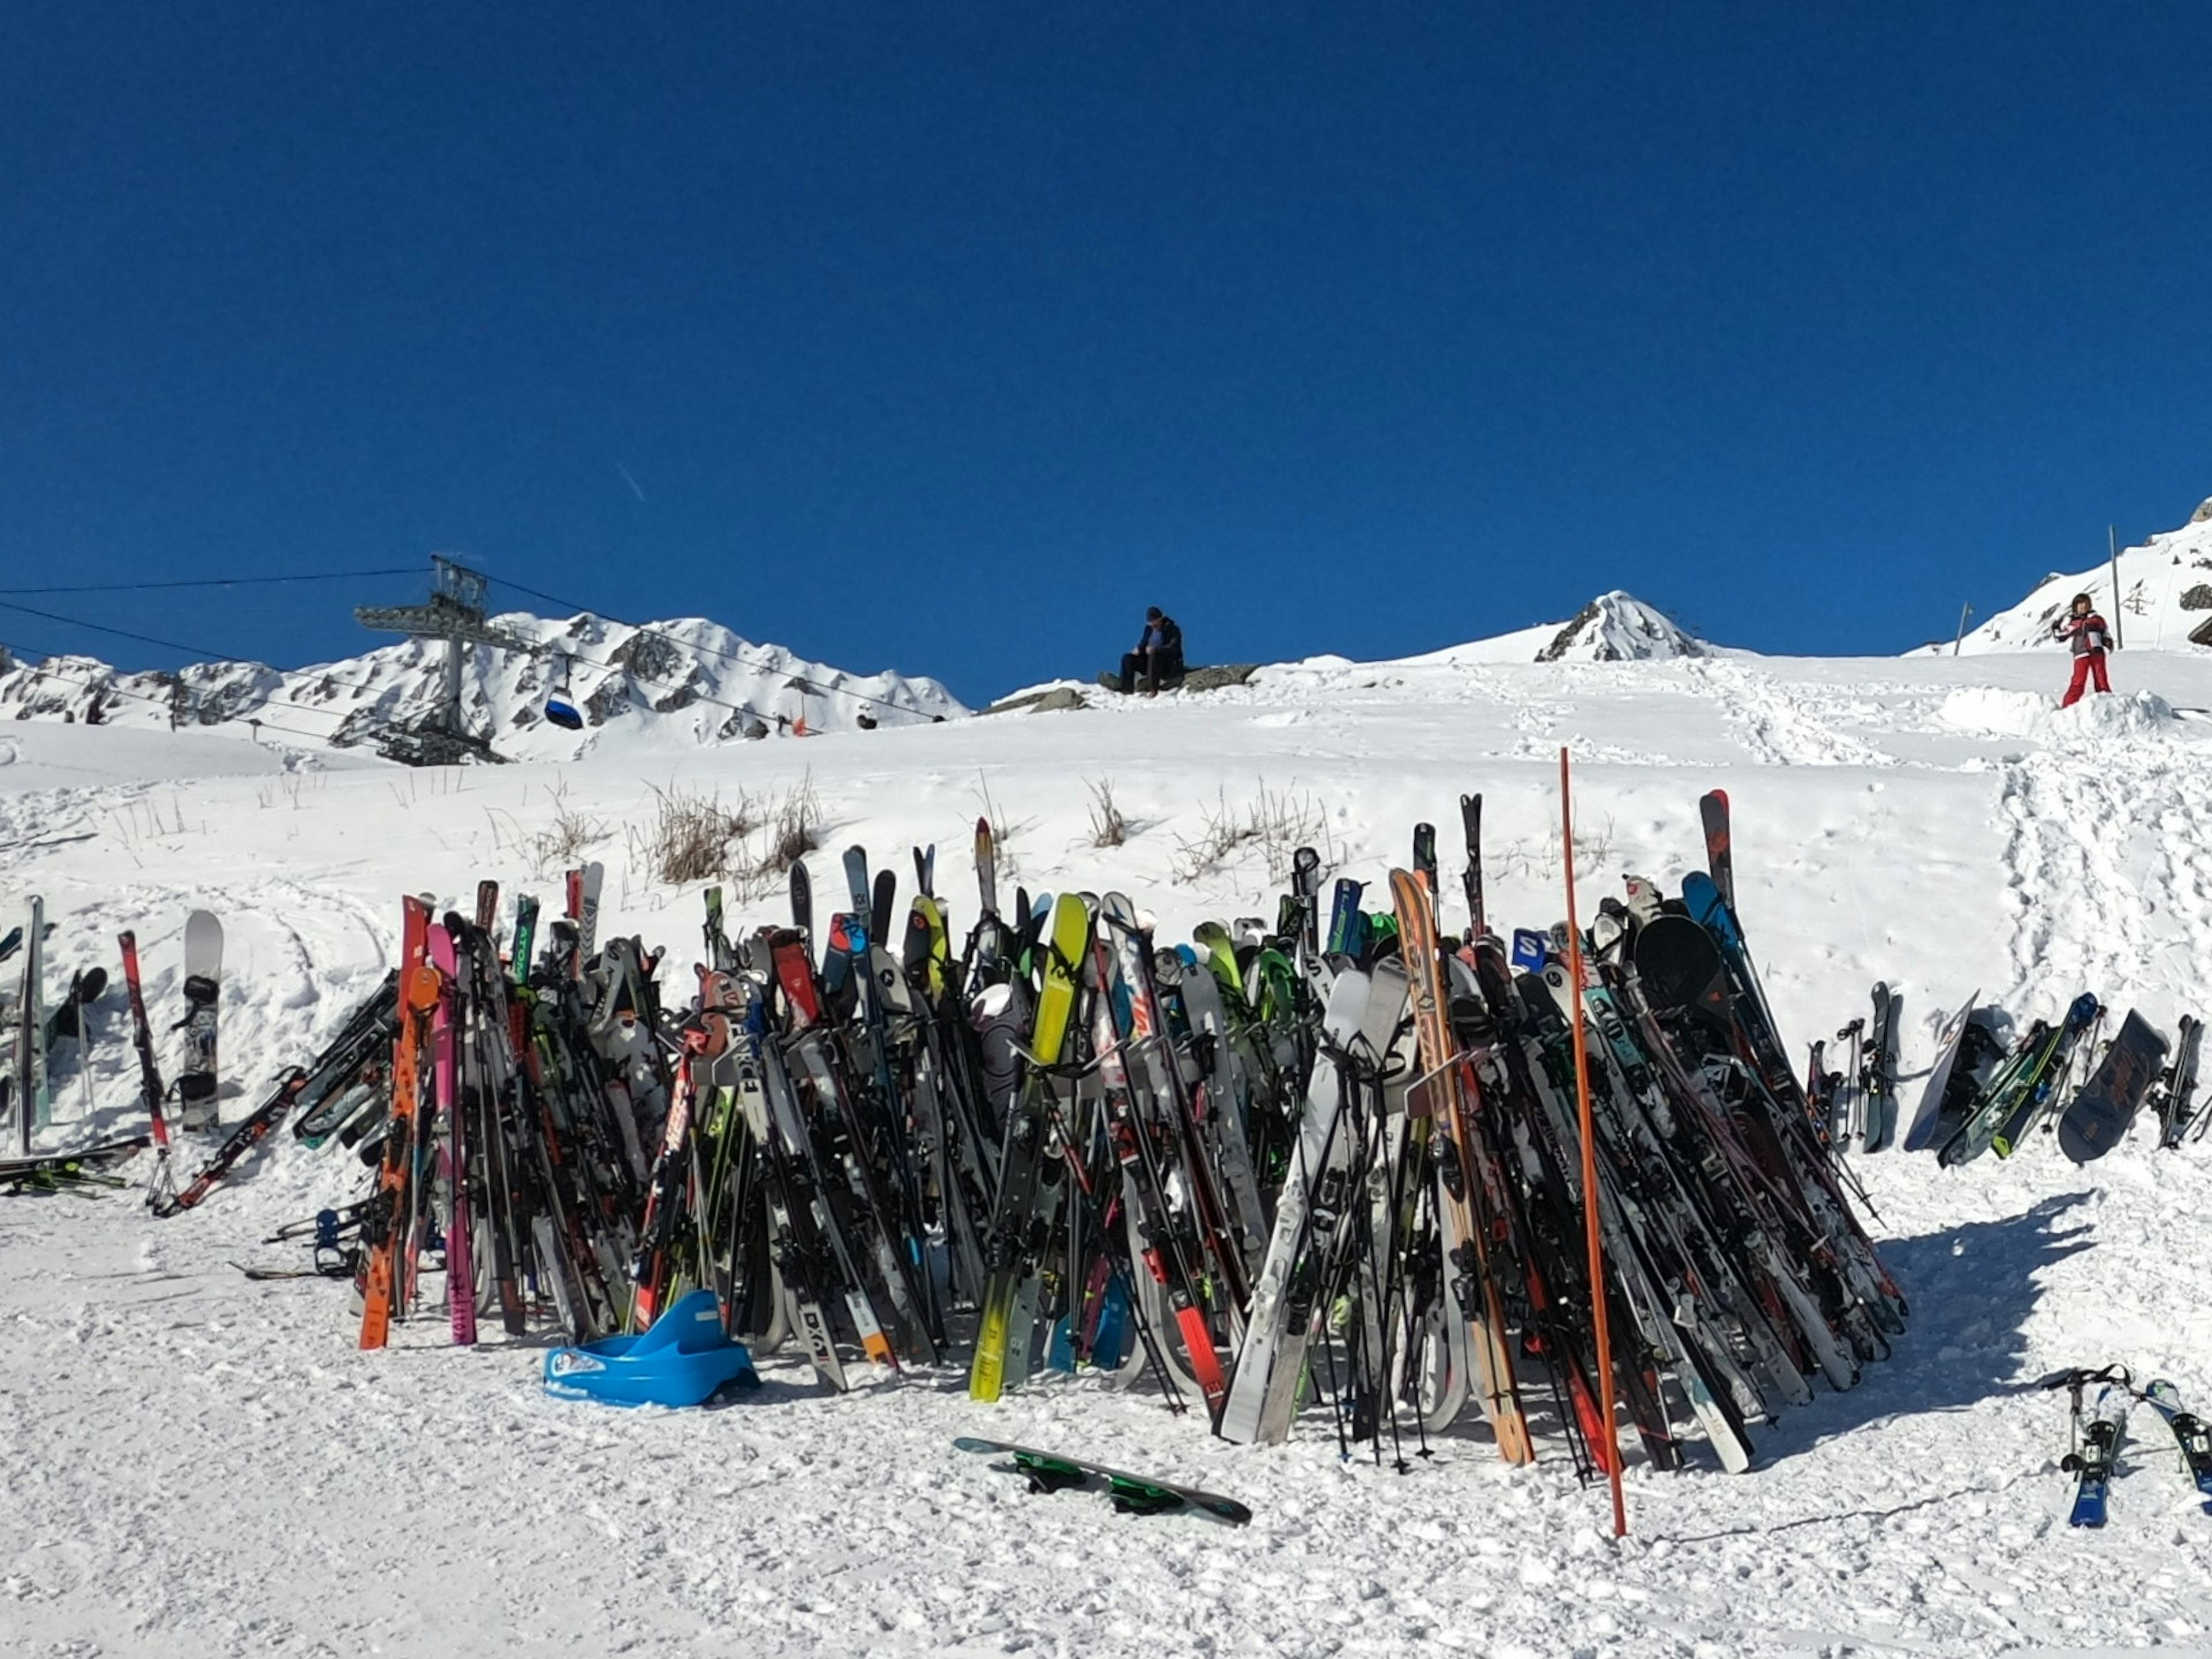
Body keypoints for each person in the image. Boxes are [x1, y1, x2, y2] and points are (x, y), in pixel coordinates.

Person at [2053, 592, 2113, 707]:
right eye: (2080, 604)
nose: (2083, 607)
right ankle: (2068, 708)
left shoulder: (2096, 619)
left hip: (2097, 652)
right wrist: (2056, 626)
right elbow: (2061, 636)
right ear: (2076, 607)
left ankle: (2108, 705)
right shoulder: (2075, 623)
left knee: (2101, 681)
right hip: (2081, 654)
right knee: (2078, 683)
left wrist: (2107, 641)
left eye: (2085, 604)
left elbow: (2105, 632)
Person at [1119, 606, 1185, 695]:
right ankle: (1126, 689)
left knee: (1154, 655)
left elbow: (1174, 647)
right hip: (1148, 661)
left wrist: (1156, 650)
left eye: (1155, 623)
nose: (1154, 626)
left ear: (1160, 619)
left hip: (1167, 663)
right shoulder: (1149, 629)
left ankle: (1153, 690)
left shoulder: (1173, 629)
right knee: (1127, 659)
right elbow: (1144, 642)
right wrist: (1138, 649)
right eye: (1151, 623)